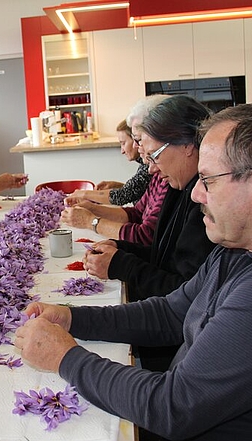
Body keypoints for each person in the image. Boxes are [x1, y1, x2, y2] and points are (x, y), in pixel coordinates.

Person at [15, 102, 252, 441]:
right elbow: (171, 313)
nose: (196, 193)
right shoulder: (246, 243)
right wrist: (73, 319)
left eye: (208, 180)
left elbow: (173, 407)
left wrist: (65, 357)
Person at [83, 95, 216, 372]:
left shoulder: (201, 201)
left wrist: (121, 262)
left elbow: (182, 298)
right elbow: (162, 253)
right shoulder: (179, 185)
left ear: (189, 146)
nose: (151, 168)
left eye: (153, 154)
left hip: (175, 348)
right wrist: (122, 248)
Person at [60, 124, 169, 245]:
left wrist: (90, 221)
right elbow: (137, 213)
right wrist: (91, 208)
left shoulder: (164, 177)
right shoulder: (156, 173)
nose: (136, 147)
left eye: (138, 140)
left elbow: (145, 236)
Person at [69, 120, 151, 206]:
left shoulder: (148, 167)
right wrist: (117, 186)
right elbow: (137, 191)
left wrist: (84, 194)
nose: (122, 151)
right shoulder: (144, 164)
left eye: (123, 143)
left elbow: (122, 196)